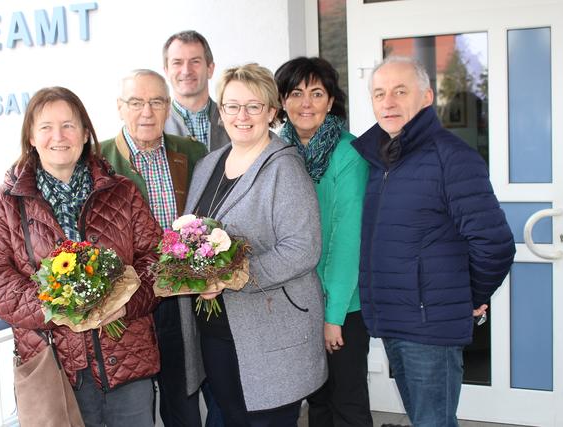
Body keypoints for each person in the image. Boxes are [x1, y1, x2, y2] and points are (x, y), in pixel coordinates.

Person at [0, 87, 161, 426]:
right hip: (56, 369)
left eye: (69, 125)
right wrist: (57, 307)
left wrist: (126, 305)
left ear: (86, 133)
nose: (58, 136)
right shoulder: (7, 202)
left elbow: (153, 260)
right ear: (31, 136)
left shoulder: (122, 191)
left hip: (127, 361)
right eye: (46, 127)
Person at [352, 56, 516, 427]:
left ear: (426, 97)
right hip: (394, 319)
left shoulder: (452, 157)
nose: (388, 102)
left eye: (400, 91)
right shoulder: (381, 160)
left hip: (429, 326)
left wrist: (468, 296)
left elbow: (496, 244)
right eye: (379, 93)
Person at [179, 63, 327, 426]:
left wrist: (233, 276)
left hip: (269, 332)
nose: (241, 116)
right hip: (216, 332)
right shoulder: (208, 165)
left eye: (254, 106)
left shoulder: (284, 169)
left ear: (272, 112)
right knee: (231, 416)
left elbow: (303, 249)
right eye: (232, 105)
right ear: (220, 111)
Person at [99, 69, 211, 427]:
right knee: (134, 405)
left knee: (182, 399)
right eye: (136, 102)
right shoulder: (96, 160)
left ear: (168, 108)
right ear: (120, 107)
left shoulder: (192, 152)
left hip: (182, 298)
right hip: (130, 303)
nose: (147, 112)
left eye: (157, 102)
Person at [275, 56, 373, 427]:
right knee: (317, 402)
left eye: (317, 93)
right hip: (297, 301)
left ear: (331, 101)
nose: (306, 103)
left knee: (347, 404)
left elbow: (347, 241)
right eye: (296, 93)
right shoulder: (275, 153)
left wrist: (332, 317)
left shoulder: (349, 154)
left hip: (342, 305)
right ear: (282, 101)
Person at [163, 30, 230, 152]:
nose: (186, 71)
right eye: (177, 63)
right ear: (166, 71)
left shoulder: (235, 118)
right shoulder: (155, 124)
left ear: (210, 69)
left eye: (195, 62)